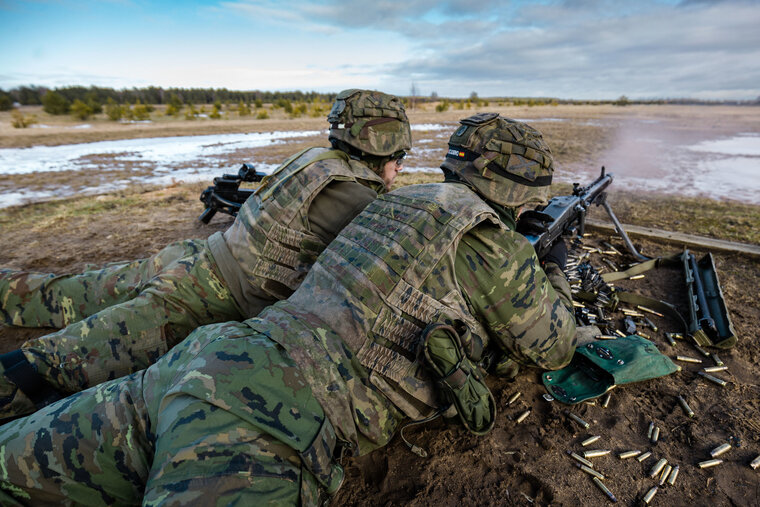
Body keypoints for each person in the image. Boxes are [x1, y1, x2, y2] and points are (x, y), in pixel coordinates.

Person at [0, 114, 578, 505]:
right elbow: (553, 343)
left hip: (212, 357)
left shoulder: (400, 199)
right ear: (518, 192)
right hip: (268, 420)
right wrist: (553, 269)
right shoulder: (490, 244)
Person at [0, 89, 412, 421]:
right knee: (54, 362)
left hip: (197, 257)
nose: (399, 169)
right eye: (399, 159)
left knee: (74, 291)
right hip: (201, 297)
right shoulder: (357, 196)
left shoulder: (317, 159)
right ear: (385, 144)